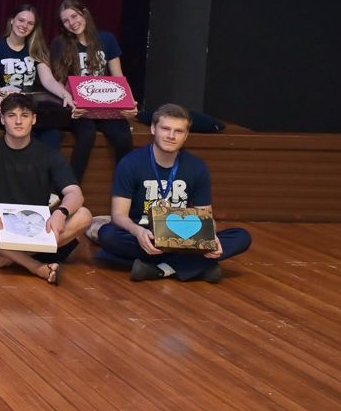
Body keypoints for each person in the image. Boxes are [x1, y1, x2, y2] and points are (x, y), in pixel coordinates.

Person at [94, 103, 252, 283]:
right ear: (153, 129)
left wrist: (210, 236)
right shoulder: (130, 163)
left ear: (186, 135)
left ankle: (158, 269)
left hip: (184, 237)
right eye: (165, 129)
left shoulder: (197, 167)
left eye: (178, 131)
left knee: (241, 236)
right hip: (146, 234)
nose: (171, 136)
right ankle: (195, 266)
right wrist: (137, 232)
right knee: (108, 235)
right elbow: (118, 215)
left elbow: (205, 215)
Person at [0, 93, 92, 285]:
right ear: (2, 119)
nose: (18, 121)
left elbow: (74, 193)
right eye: (11, 115)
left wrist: (61, 212)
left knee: (84, 215)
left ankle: (4, 259)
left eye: (24, 115)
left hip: (36, 230)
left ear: (33, 119)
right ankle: (34, 266)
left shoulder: (49, 155)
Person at [45, 0, 135, 181]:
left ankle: (124, 188)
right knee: (87, 136)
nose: (72, 23)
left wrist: (129, 103)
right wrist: (69, 103)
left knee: (124, 138)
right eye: (66, 21)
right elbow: (59, 81)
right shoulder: (60, 43)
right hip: (79, 108)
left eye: (74, 16)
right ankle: (70, 187)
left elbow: (118, 76)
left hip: (106, 106)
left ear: (84, 13)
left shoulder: (106, 39)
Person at [0, 3, 65, 142]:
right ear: (12, 20)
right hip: (5, 104)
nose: (25, 25)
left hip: (30, 106)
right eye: (21, 20)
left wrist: (65, 95)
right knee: (27, 133)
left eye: (30, 23)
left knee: (54, 134)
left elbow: (48, 80)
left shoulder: (36, 48)